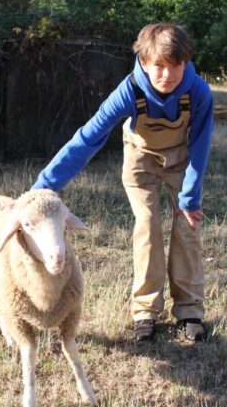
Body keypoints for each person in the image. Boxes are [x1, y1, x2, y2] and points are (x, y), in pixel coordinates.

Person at [31, 23, 214, 342]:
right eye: (158, 65)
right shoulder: (128, 91)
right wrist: (44, 186)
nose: (167, 75)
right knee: (146, 224)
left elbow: (200, 145)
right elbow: (87, 140)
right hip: (140, 159)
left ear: (186, 63)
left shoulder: (198, 92)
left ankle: (190, 311)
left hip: (181, 159)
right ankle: (145, 312)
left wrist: (190, 198)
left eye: (176, 66)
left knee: (187, 225)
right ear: (144, 61)